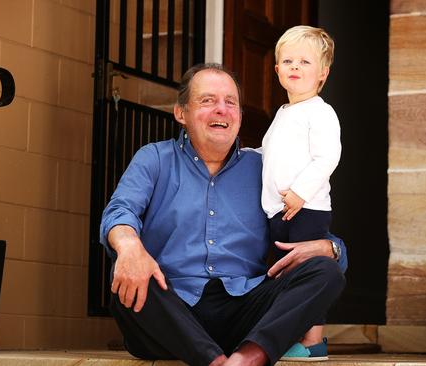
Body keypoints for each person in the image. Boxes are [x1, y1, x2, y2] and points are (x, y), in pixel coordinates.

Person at [100, 63, 346, 366]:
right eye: (207, 101)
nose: (222, 110)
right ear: (181, 113)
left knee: (325, 271)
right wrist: (129, 247)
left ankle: (247, 358)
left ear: (240, 117)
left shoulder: (263, 168)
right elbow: (120, 211)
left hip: (244, 313)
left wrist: (330, 248)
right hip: (171, 310)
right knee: (126, 275)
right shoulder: (155, 158)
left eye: (231, 102)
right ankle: (215, 361)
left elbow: (310, 224)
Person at [261, 26, 341, 360]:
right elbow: (270, 155)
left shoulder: (320, 112)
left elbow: (328, 157)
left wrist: (300, 193)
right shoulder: (282, 114)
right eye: (288, 60)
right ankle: (291, 333)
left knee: (306, 271)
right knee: (285, 272)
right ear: (277, 69)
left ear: (322, 73)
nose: (295, 67)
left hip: (305, 209)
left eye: (305, 62)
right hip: (278, 211)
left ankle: (313, 342)